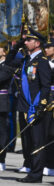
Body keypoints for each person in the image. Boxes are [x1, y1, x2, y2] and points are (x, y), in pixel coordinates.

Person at [5, 27, 51, 183]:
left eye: (28, 40)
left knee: (38, 142)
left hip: (35, 106)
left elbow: (45, 86)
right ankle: (31, 169)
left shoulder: (42, 62)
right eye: (25, 40)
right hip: (24, 106)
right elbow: (9, 61)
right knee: (28, 142)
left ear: (37, 43)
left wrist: (41, 105)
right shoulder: (26, 59)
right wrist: (16, 46)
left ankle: (37, 174)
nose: (26, 42)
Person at [42, 39, 54, 176]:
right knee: (47, 132)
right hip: (47, 98)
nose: (47, 49)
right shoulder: (45, 62)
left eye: (50, 47)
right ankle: (48, 163)